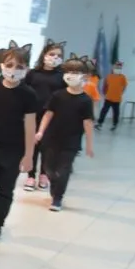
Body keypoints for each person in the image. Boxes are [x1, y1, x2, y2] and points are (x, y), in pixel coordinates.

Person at [0, 41, 37, 244]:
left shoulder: (28, 94)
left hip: (14, 149)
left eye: (19, 66)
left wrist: (29, 155)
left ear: (26, 68)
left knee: (5, 188)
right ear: (1, 65)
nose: (13, 70)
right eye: (9, 65)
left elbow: (30, 125)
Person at [34, 58, 95, 212]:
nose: (71, 75)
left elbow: (88, 123)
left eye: (75, 72)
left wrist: (89, 144)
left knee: (64, 170)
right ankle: (54, 186)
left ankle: (57, 198)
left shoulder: (86, 100)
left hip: (71, 141)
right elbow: (48, 114)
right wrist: (40, 131)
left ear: (84, 76)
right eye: (68, 72)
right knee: (48, 168)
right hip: (51, 138)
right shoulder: (57, 95)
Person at [23, 40, 66, 192]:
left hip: (52, 115)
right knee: (33, 144)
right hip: (33, 114)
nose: (55, 57)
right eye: (52, 54)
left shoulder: (62, 76)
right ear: (44, 55)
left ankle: (43, 174)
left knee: (47, 147)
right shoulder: (33, 73)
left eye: (58, 55)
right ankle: (30, 175)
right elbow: (24, 91)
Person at [97, 61, 128, 131]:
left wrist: (120, 93)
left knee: (116, 112)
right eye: (116, 67)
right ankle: (99, 123)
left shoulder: (123, 77)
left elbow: (125, 86)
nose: (117, 69)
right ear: (113, 68)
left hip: (117, 99)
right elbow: (105, 86)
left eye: (119, 68)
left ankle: (115, 124)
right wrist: (104, 94)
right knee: (104, 111)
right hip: (108, 97)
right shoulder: (109, 76)